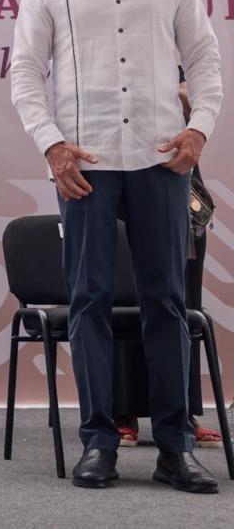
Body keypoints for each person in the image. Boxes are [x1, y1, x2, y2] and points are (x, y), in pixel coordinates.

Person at [11, 0, 222, 494]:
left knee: (166, 303)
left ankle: (175, 446)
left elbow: (205, 59)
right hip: (87, 166)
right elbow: (24, 72)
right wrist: (52, 146)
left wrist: (200, 127)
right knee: (90, 303)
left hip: (162, 161)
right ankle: (99, 441)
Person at [113, 71, 222, 448]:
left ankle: (182, 413)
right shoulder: (111, 63)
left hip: (179, 189)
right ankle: (121, 412)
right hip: (120, 183)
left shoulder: (181, 66)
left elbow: (200, 121)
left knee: (181, 303)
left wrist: (188, 105)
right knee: (123, 299)